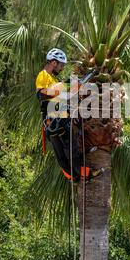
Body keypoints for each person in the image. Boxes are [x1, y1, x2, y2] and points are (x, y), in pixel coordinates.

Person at [35, 48, 103, 182]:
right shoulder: (43, 75)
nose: (61, 68)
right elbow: (41, 94)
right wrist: (64, 86)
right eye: (61, 65)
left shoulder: (52, 79)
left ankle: (73, 176)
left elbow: (58, 96)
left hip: (54, 121)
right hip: (56, 120)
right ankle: (83, 173)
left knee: (62, 153)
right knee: (70, 149)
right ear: (53, 62)